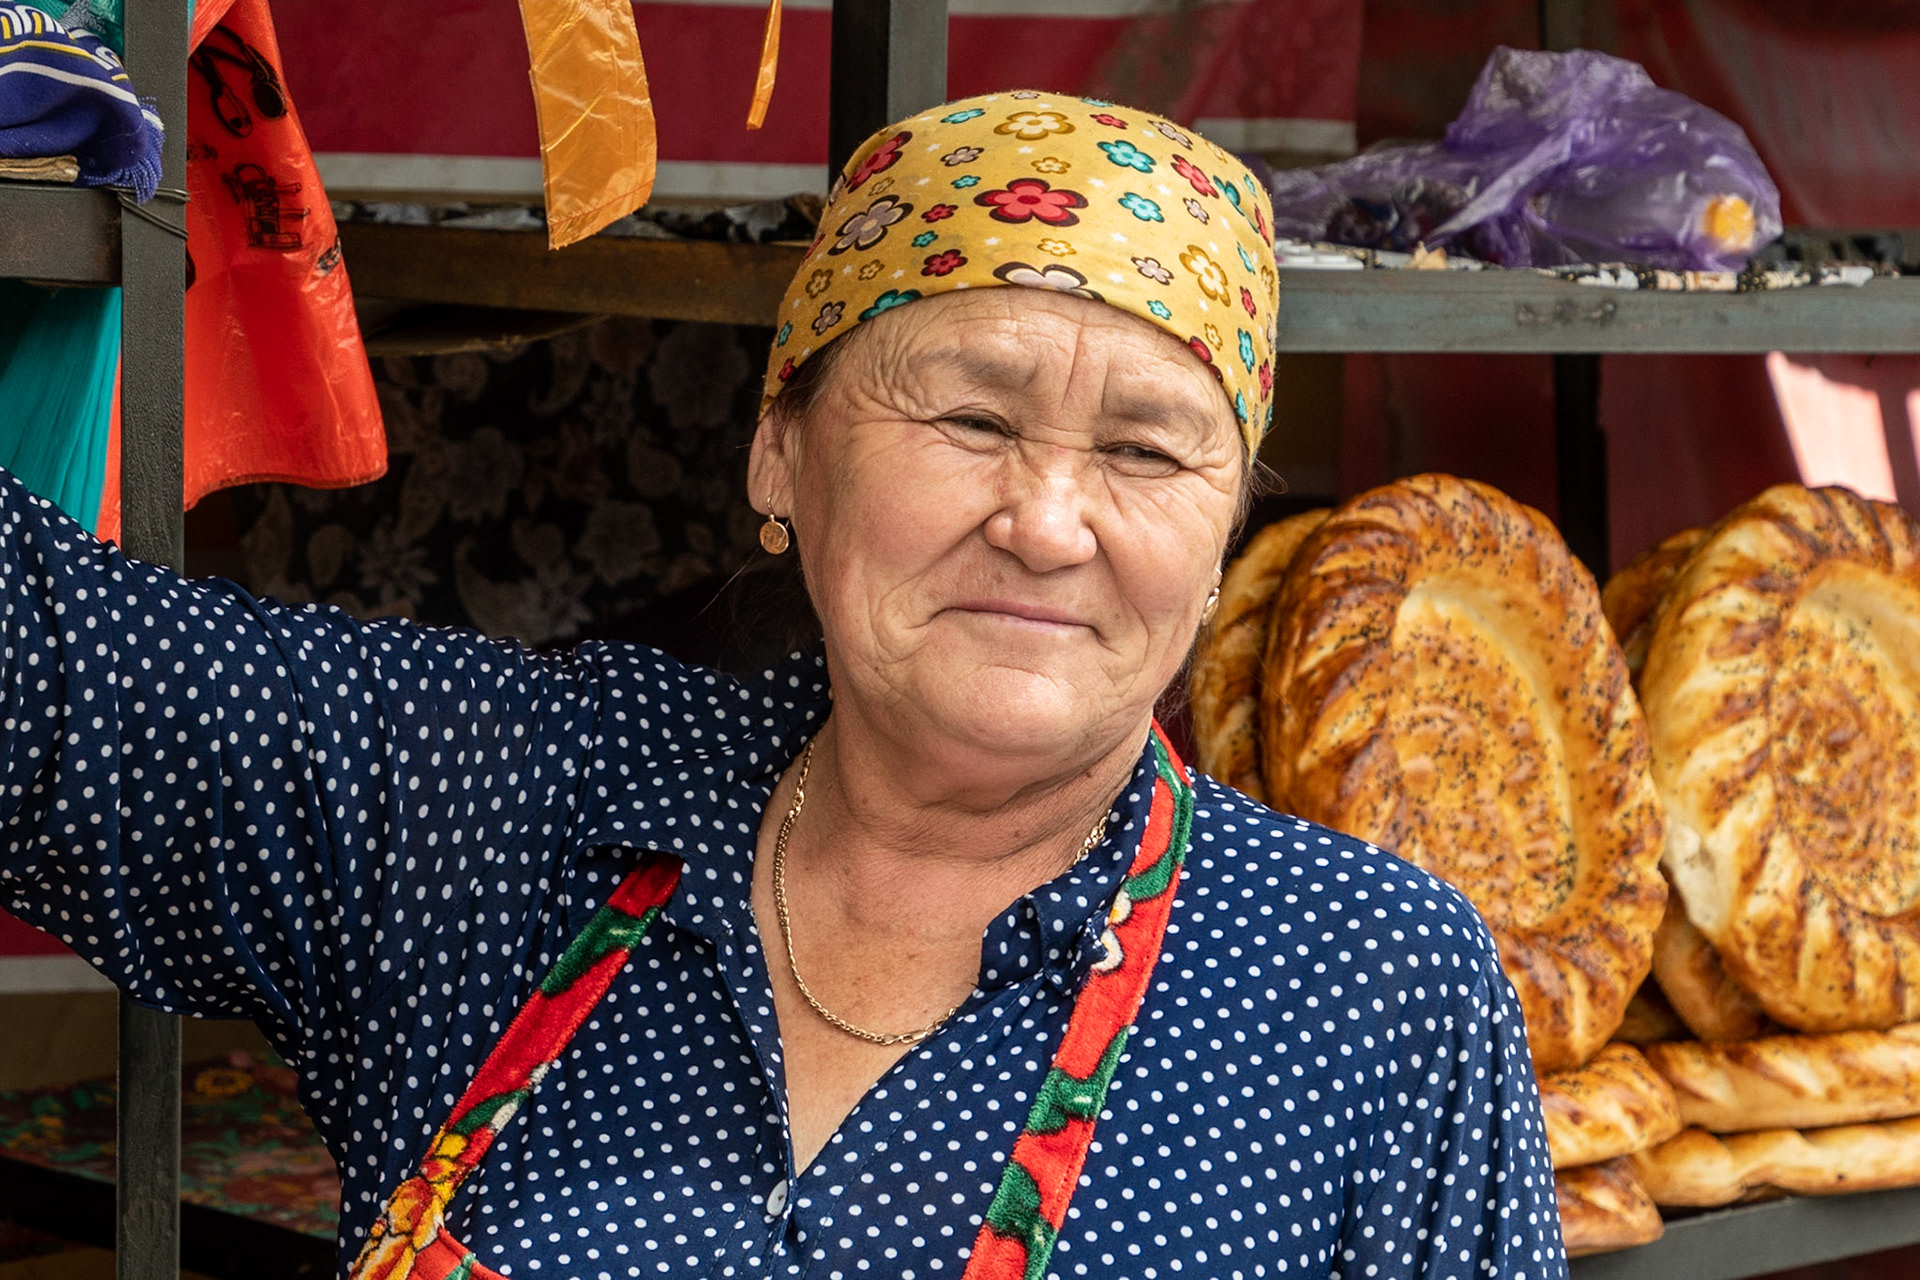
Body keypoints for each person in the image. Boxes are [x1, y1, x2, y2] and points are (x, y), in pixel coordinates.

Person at [0, 92, 1566, 1280]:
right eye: (969, 416)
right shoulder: (511, 792)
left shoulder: (1368, 989)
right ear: (782, 449)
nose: (1046, 520)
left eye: (1148, 451)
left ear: (1223, 533)